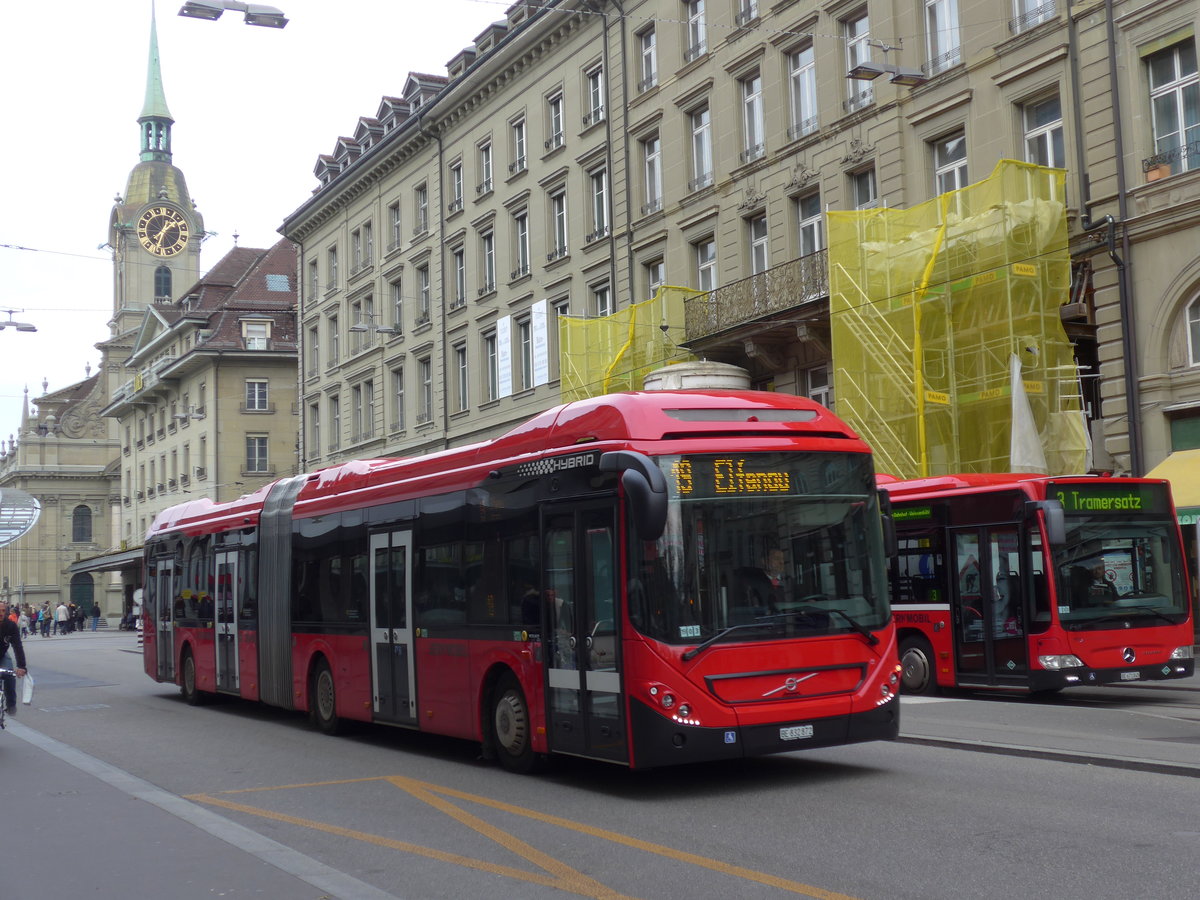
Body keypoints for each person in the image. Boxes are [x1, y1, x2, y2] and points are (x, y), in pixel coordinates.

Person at [0, 598, 28, 714]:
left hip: (2, 655)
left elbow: (17, 646)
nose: (1, 613)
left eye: (3, 611)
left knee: (10, 676)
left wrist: (21, 666)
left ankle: (11, 705)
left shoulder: (10, 626)